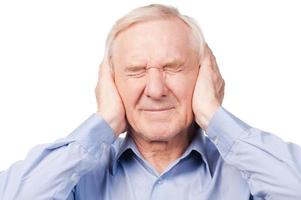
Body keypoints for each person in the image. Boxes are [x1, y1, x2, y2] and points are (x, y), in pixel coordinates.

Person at [0, 4, 301, 200]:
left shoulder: (249, 173)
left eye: (173, 67)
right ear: (111, 82)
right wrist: (102, 124)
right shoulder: (76, 176)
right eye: (136, 71)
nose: (156, 89)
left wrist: (213, 115)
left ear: (204, 75)